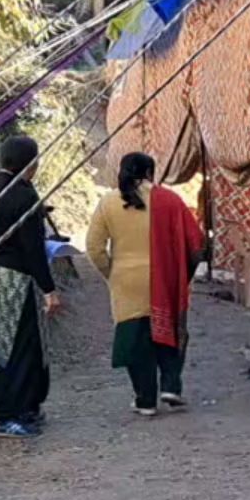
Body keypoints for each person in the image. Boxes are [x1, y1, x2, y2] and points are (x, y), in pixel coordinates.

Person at [85, 152, 204, 417]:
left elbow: (93, 248)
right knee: (170, 330)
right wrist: (183, 275)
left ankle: (145, 400)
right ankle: (171, 386)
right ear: (151, 173)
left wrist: (111, 273)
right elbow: (196, 243)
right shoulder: (170, 200)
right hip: (165, 276)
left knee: (136, 339)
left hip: (126, 279)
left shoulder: (108, 203)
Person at [0, 135, 60, 439]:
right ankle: (16, 415)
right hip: (16, 279)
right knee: (21, 346)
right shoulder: (24, 196)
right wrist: (48, 288)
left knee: (0, 345)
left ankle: (10, 410)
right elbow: (33, 248)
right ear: (30, 163)